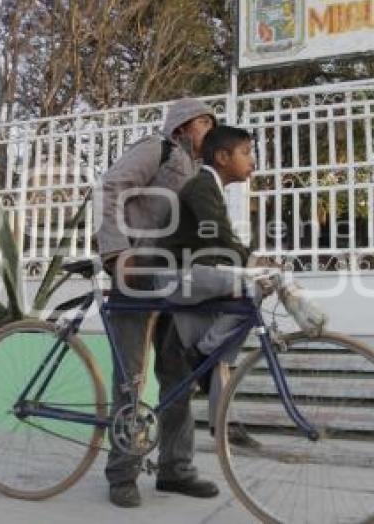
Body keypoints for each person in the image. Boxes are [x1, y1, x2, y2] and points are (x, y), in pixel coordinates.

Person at [94, 97, 219, 508]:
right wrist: (115, 252)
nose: (210, 130)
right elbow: (112, 186)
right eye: (204, 122)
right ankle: (122, 472)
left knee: (178, 374)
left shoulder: (200, 171)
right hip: (137, 274)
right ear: (183, 127)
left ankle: (175, 469)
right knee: (131, 378)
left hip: (175, 281)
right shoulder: (156, 149)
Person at [156, 125, 263, 437]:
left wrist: (243, 263)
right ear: (222, 156)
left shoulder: (210, 188)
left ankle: (222, 421)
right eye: (246, 153)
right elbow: (217, 233)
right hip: (174, 276)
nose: (252, 162)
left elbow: (216, 246)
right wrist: (251, 262)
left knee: (217, 349)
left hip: (190, 276)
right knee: (254, 288)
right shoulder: (202, 186)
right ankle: (202, 354)